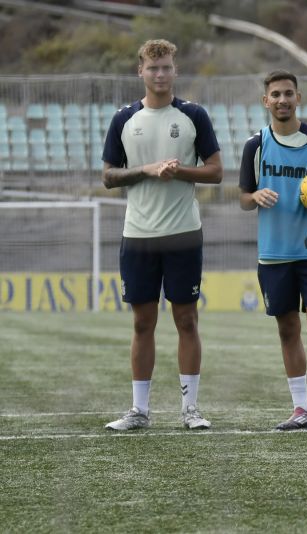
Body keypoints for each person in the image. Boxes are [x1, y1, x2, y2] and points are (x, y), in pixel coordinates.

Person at [102, 39, 222, 431]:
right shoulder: (124, 119)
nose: (160, 74)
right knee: (142, 323)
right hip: (138, 235)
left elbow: (216, 171)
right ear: (141, 71)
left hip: (183, 233)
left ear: (175, 70)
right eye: (153, 68)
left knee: (186, 320)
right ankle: (139, 410)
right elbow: (109, 176)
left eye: (166, 67)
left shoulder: (193, 115)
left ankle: (190, 409)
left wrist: (178, 170)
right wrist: (147, 169)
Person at [238, 70, 307, 431]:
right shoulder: (256, 145)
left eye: (288, 93)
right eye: (275, 94)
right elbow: (243, 198)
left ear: (298, 98)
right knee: (287, 328)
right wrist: (255, 196)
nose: (282, 100)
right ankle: (300, 408)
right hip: (274, 254)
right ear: (266, 101)